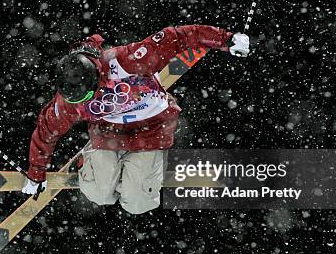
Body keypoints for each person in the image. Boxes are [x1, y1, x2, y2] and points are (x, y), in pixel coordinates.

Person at [22, 25, 250, 214]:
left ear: (95, 78)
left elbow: (177, 37)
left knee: (138, 203)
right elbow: (46, 132)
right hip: (108, 133)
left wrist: (226, 40)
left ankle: (134, 176)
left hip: (151, 130)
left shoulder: (126, 61)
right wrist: (36, 173)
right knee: (98, 194)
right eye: (77, 100)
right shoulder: (68, 102)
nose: (83, 102)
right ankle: (96, 165)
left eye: (88, 96)